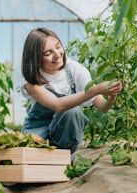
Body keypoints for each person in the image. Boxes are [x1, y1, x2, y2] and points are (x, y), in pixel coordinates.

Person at [21, 27, 123, 157]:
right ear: (35, 58)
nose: (57, 54)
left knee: (72, 112)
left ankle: (63, 158)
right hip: (37, 134)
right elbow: (58, 105)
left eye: (58, 47)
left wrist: (112, 94)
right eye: (48, 53)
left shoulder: (75, 70)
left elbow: (103, 107)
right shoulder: (32, 81)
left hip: (64, 140)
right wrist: (94, 90)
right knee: (24, 161)